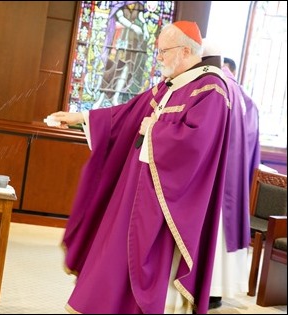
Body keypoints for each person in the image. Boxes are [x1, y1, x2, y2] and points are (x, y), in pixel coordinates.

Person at [48, 21, 231, 314]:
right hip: (134, 189)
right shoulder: (170, 86)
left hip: (167, 201)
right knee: (113, 257)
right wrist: (80, 117)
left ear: (185, 51)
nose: (158, 58)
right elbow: (126, 114)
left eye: (163, 51)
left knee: (145, 264)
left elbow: (198, 143)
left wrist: (156, 131)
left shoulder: (211, 89)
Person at [202, 42, 261, 309]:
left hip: (213, 178)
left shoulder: (214, 89)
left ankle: (206, 288)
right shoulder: (246, 99)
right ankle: (217, 290)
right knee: (225, 232)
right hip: (236, 182)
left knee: (211, 230)